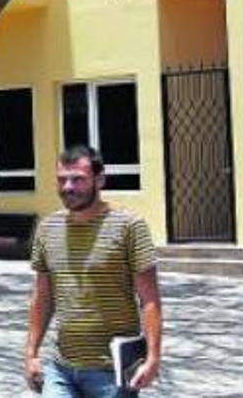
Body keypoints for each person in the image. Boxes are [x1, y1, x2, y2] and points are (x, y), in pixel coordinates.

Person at [24, 145, 162, 397]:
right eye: (62, 179)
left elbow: (150, 300)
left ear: (100, 180)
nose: (68, 187)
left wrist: (152, 358)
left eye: (77, 179)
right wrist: (31, 354)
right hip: (60, 367)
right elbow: (42, 296)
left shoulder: (129, 227)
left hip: (111, 370)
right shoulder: (47, 228)